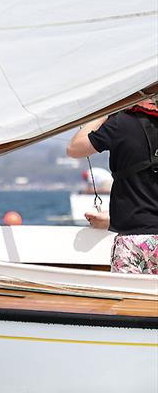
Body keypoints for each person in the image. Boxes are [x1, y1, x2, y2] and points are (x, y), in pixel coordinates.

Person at [66, 97, 158, 274]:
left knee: (127, 300)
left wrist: (105, 110)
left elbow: (75, 148)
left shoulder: (121, 123)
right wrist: (111, 220)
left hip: (133, 243)